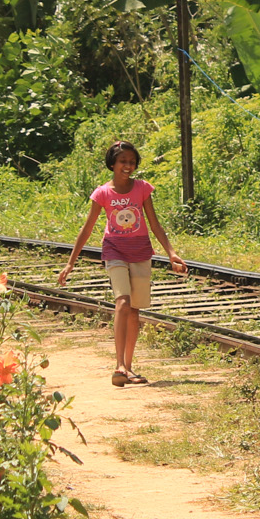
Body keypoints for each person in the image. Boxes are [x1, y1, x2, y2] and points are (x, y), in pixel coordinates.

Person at [57, 140, 187, 386]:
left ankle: (128, 367)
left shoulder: (142, 188)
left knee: (134, 309)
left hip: (140, 251)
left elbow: (154, 223)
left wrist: (171, 253)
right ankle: (118, 365)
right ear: (112, 164)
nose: (128, 166)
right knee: (123, 302)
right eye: (122, 161)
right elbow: (87, 228)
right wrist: (70, 263)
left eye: (132, 162)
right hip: (114, 250)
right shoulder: (102, 193)